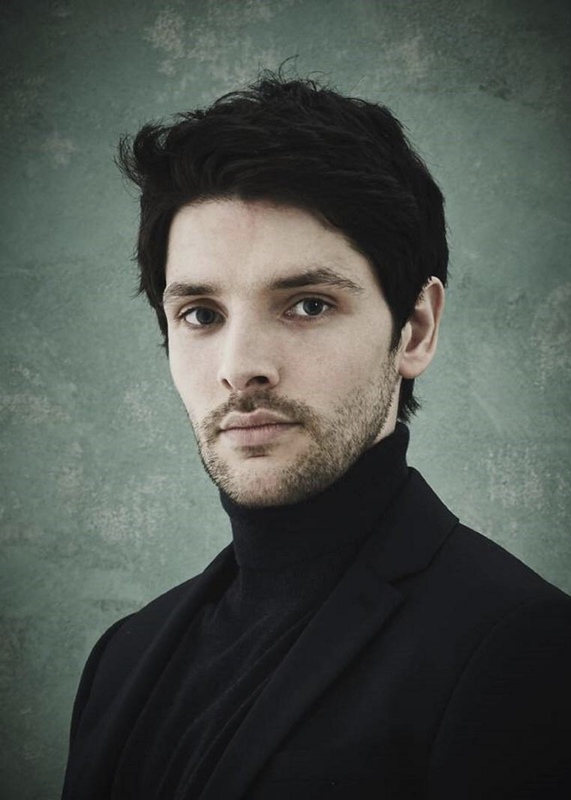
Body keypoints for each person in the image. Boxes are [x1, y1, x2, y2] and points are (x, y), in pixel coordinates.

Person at [61, 73, 571, 800]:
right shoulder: (122, 656)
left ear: (414, 330)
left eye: (307, 304)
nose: (240, 367)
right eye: (201, 314)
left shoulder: (521, 645)